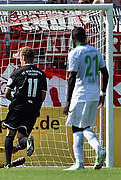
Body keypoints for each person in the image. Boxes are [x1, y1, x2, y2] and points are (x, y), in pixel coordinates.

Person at [63, 27, 109, 171]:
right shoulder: (95, 51)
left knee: (76, 127)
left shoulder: (74, 53)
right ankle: (98, 149)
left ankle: (79, 163)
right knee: (85, 127)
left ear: (72, 38)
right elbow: (105, 73)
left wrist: (68, 101)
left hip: (80, 94)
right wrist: (103, 93)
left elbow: (71, 78)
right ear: (86, 37)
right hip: (94, 94)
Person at [3, 46, 47, 168]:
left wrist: (14, 101)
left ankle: (7, 164)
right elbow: (43, 96)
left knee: (10, 134)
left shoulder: (17, 72)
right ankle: (26, 142)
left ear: (22, 57)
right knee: (22, 137)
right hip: (32, 110)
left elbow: (7, 93)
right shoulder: (41, 74)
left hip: (18, 108)